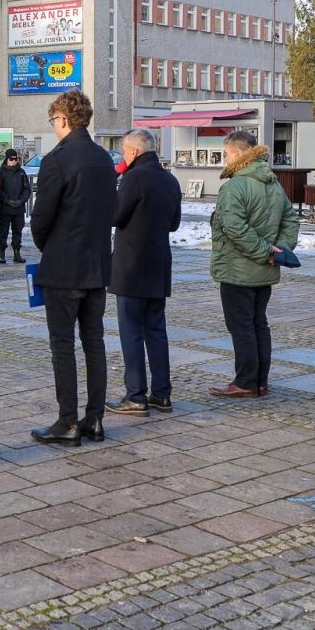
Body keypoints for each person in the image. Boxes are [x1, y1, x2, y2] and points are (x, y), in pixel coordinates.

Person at [28, 90, 117, 446]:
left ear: (63, 119)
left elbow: (41, 218)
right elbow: (111, 210)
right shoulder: (103, 158)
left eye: (53, 120)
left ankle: (67, 421)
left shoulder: (57, 159)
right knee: (94, 342)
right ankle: (94, 418)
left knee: (62, 345)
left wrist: (48, 246)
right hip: (97, 264)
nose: (53, 126)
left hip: (64, 266)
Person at [207, 130, 300, 398]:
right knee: (259, 324)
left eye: (226, 154)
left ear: (237, 153)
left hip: (238, 270)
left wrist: (266, 251)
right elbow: (291, 221)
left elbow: (234, 227)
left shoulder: (235, 186)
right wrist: (277, 250)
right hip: (264, 270)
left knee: (242, 327)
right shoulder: (273, 182)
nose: (225, 159)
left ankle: (246, 382)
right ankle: (260, 381)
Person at [104, 130, 182, 416]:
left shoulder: (134, 178)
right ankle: (162, 394)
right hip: (158, 264)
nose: (123, 156)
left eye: (125, 151)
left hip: (131, 266)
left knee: (132, 332)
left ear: (134, 152)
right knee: (156, 331)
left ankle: (135, 395)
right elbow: (174, 224)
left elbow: (114, 215)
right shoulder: (170, 180)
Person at [0, 148, 31, 264]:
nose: (14, 161)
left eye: (16, 159)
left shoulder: (21, 172)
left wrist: (21, 201)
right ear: (7, 159)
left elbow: (27, 189)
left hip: (19, 208)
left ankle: (17, 253)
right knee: (3, 232)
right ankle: (2, 254)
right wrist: (7, 201)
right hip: (5, 208)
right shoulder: (0, 172)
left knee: (18, 232)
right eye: (11, 159)